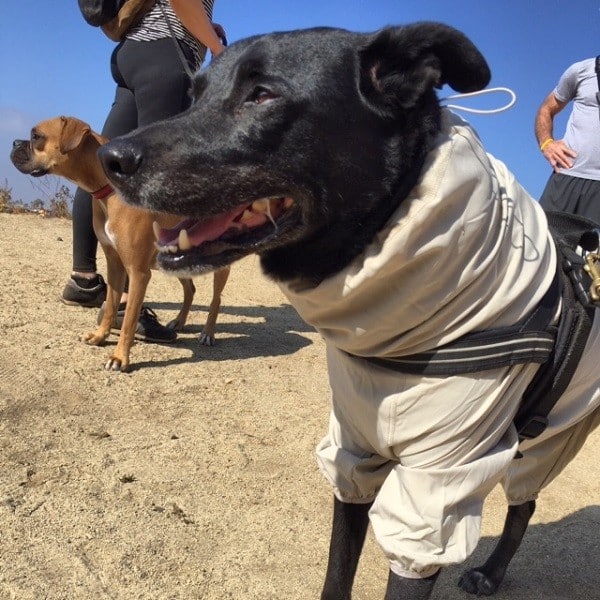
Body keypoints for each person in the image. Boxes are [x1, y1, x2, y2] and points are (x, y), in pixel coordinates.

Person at [62, 0, 225, 341]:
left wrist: (207, 29)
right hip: (167, 57)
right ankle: (123, 305)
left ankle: (84, 279)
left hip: (134, 53)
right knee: (152, 176)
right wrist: (214, 45)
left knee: (99, 166)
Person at [535, 56, 600, 223]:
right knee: (544, 242)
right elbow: (547, 109)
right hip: (568, 174)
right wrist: (547, 143)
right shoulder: (581, 71)